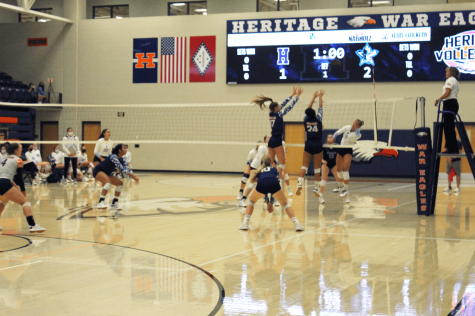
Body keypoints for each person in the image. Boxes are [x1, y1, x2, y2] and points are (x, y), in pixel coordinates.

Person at [238, 154, 304, 232]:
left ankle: (245, 223)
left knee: (251, 201)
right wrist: (271, 202)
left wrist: (268, 202)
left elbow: (264, 190)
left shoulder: (259, 171)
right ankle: (297, 224)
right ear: (271, 162)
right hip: (274, 183)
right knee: (285, 204)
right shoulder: (275, 169)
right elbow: (272, 187)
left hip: (262, 184)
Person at [252, 86, 303, 179]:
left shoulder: (271, 113)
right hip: (277, 140)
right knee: (282, 163)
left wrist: (291, 95)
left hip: (271, 140)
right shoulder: (279, 114)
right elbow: (290, 107)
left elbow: (283, 104)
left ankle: (265, 176)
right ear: (276, 108)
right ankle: (275, 178)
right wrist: (297, 96)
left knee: (270, 163)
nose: (280, 106)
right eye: (278, 106)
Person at [0, 143, 46, 233]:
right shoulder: (18, 160)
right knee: (26, 202)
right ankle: (32, 225)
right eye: (20, 149)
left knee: (3, 201)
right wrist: (23, 192)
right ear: (16, 150)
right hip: (4, 183)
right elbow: (19, 178)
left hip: (2, 182)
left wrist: (15, 187)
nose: (21, 151)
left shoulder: (4, 160)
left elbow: (6, 177)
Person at [93, 144, 139, 210]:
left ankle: (114, 203)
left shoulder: (122, 159)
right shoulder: (113, 156)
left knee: (120, 184)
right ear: (119, 150)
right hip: (98, 171)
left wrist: (133, 175)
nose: (126, 149)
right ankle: (100, 202)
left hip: (107, 173)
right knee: (107, 182)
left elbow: (126, 168)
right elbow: (122, 169)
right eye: (124, 148)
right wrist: (133, 176)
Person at [296, 89, 324, 197]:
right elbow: (320, 107)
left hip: (308, 144)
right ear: (315, 113)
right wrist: (320, 96)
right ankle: (316, 188)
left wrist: (313, 97)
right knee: (317, 168)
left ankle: (299, 184)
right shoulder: (319, 119)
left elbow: (308, 109)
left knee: (304, 166)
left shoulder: (305, 119)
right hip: (317, 145)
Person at [333, 119, 364, 202]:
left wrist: (356, 127)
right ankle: (340, 186)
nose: (353, 124)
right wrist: (333, 138)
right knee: (338, 169)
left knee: (345, 169)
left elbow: (357, 133)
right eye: (353, 122)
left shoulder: (358, 134)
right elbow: (337, 132)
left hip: (348, 150)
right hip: (340, 148)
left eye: (356, 123)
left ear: (359, 126)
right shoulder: (347, 127)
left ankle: (345, 189)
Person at [239, 135, 270, 207]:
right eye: (268, 137)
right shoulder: (262, 147)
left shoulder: (271, 148)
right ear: (265, 140)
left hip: (262, 166)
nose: (270, 138)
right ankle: (242, 200)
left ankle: (266, 198)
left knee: (263, 183)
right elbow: (262, 161)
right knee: (253, 183)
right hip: (255, 166)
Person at [435, 67, 460, 154]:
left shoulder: (450, 80)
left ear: (451, 72)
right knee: (450, 127)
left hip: (449, 104)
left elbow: (447, 93)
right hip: (453, 103)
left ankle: (451, 149)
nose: (445, 73)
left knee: (448, 127)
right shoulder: (455, 81)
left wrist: (438, 99)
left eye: (447, 71)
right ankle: (453, 148)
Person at [315, 135, 340, 204]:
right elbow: (319, 156)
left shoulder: (337, 146)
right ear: (327, 139)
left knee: (339, 178)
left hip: (334, 164)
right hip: (326, 164)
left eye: (331, 137)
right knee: (324, 179)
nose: (330, 138)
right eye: (328, 137)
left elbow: (340, 155)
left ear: (333, 139)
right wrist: (323, 161)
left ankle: (345, 196)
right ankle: (321, 197)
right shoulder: (324, 146)